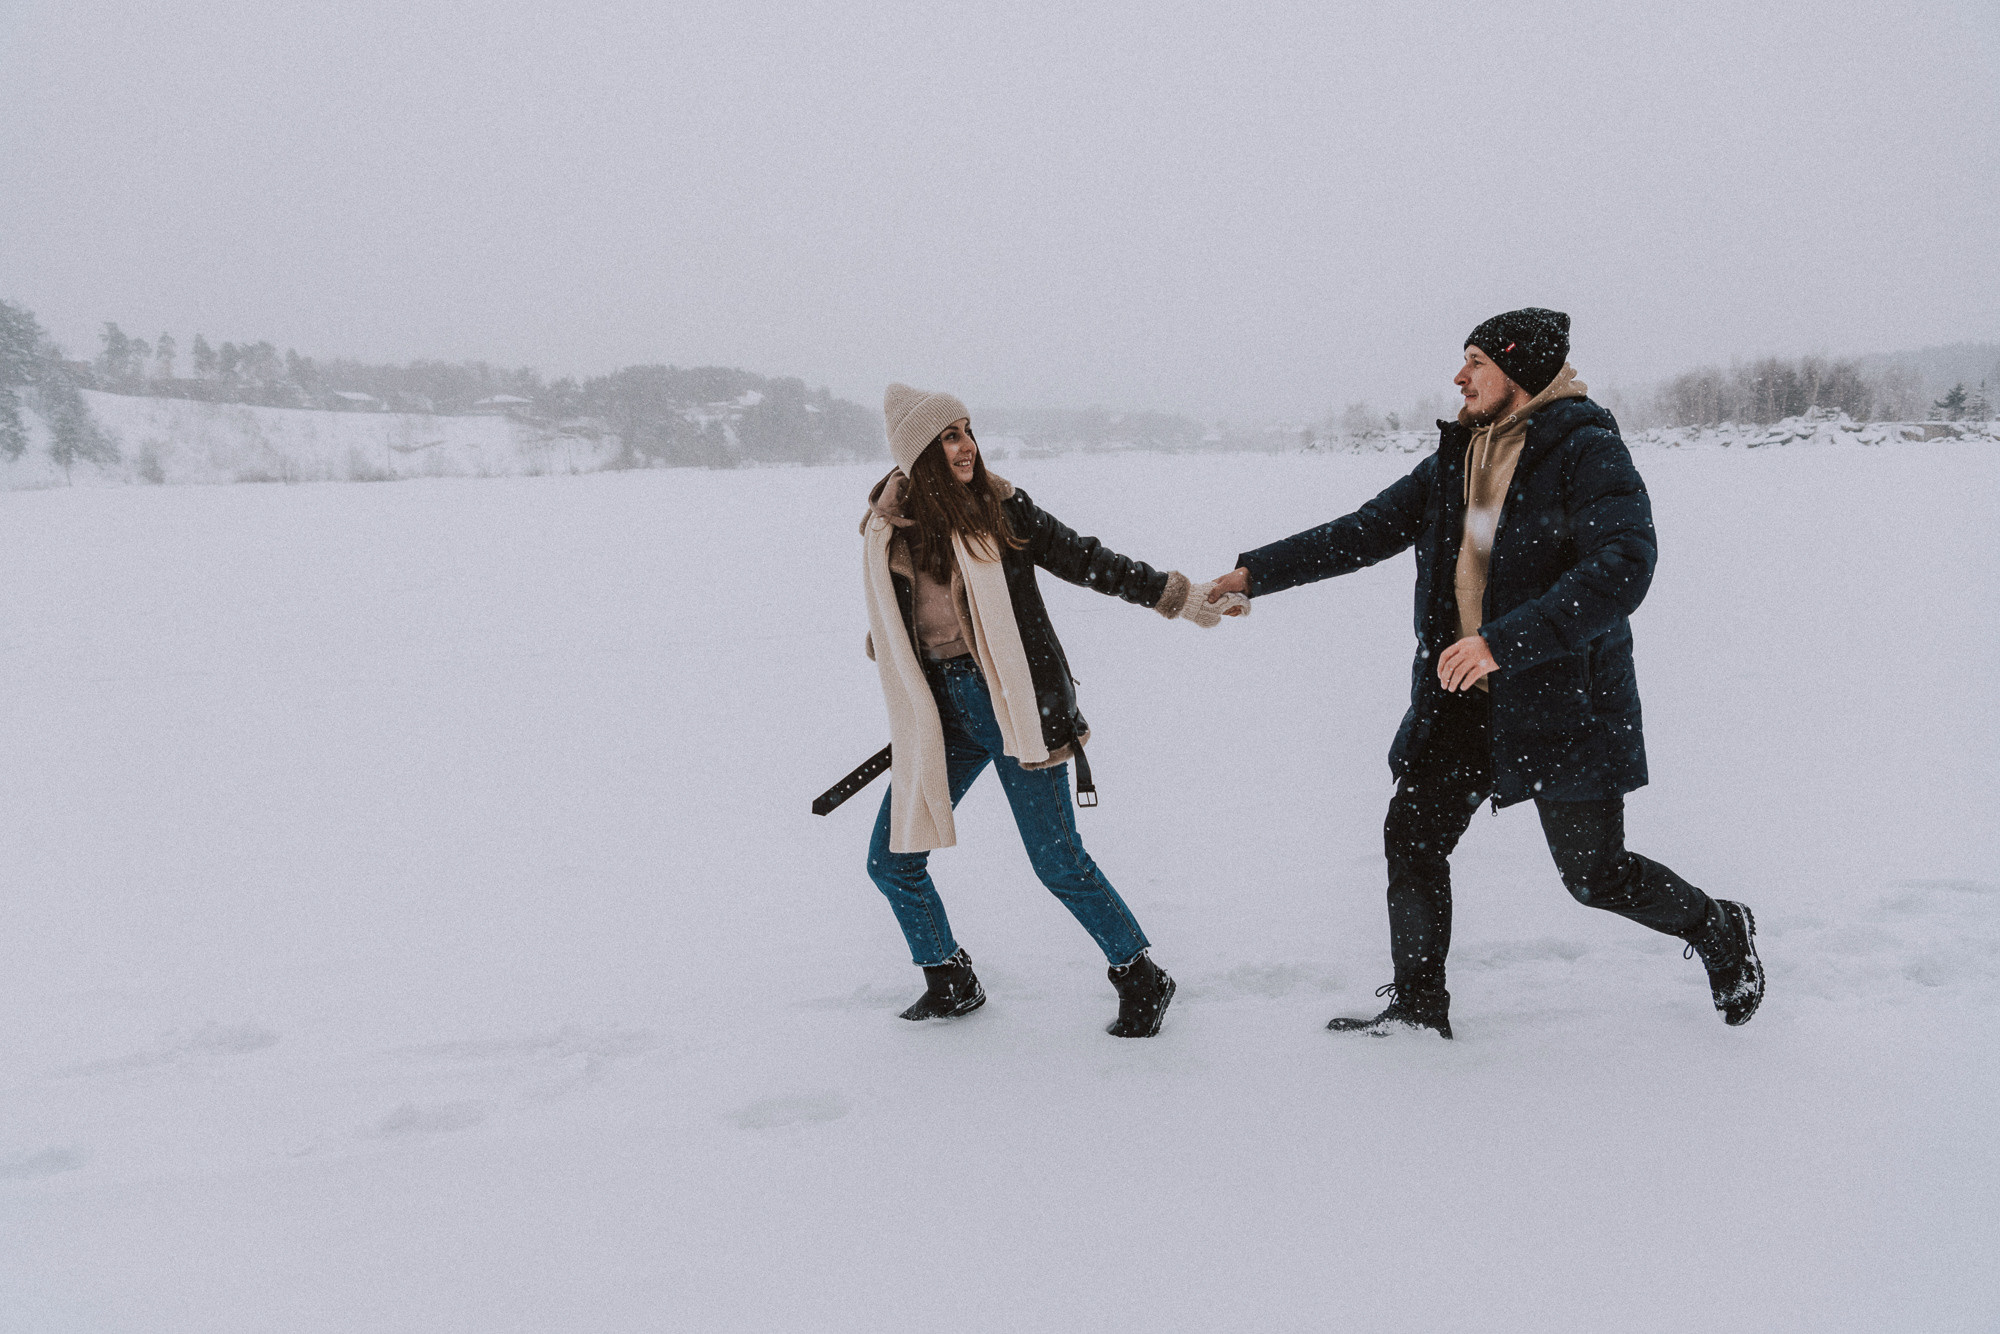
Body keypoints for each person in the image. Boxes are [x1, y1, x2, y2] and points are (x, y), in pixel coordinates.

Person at [1206, 309, 1765, 1037]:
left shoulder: (1585, 450)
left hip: (1562, 701)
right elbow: (1366, 529)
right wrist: (1256, 574)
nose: (1460, 377)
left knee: (1595, 875)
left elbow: (1624, 566)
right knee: (1413, 835)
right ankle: (1418, 1009)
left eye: (1476, 361)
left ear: (1519, 371)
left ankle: (1718, 926)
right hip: (1463, 695)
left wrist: (1504, 641)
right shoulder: (1462, 455)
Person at [861, 383, 1243, 1037]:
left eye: (968, 431)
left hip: (1014, 705)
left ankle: (1141, 975)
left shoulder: (1000, 510)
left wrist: (1181, 597)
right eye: (949, 436)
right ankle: (949, 978)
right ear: (918, 453)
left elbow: (1089, 559)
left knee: (1057, 860)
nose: (967, 446)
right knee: (891, 860)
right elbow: (900, 614)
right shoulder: (886, 530)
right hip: (940, 714)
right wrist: (893, 641)